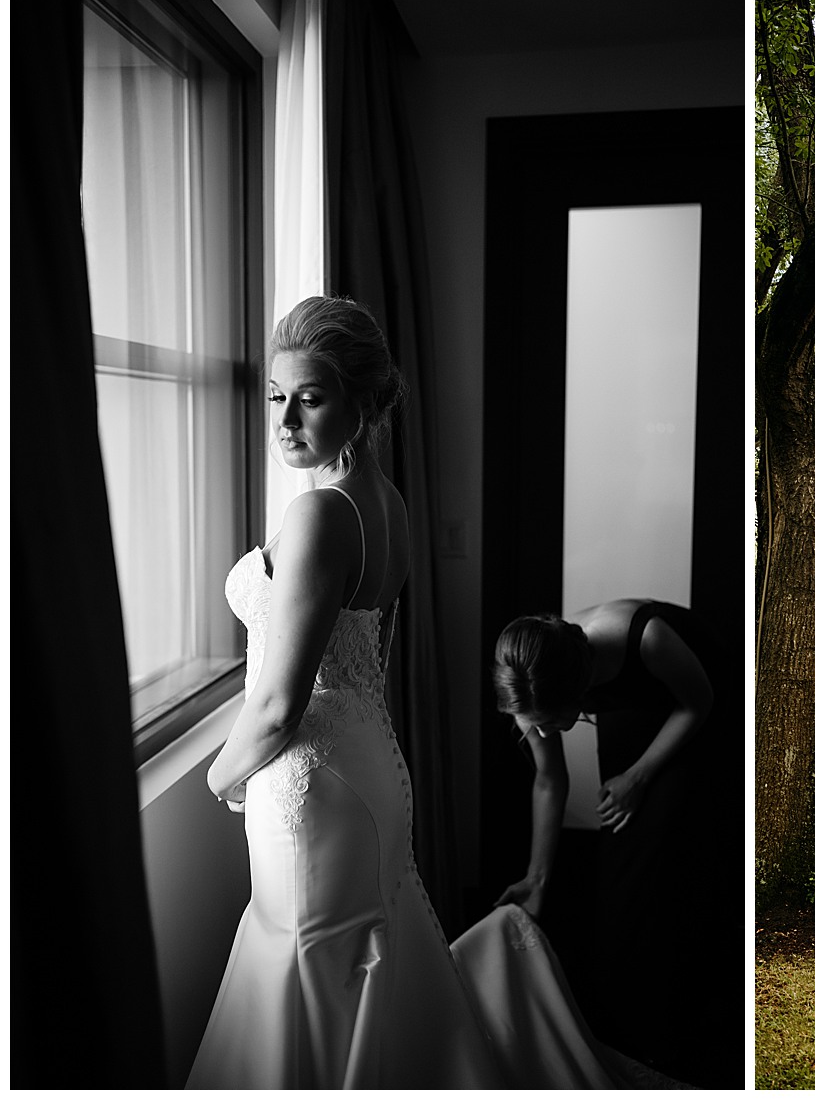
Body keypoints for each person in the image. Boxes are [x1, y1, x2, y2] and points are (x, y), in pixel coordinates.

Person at [189, 296, 659, 1088]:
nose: (286, 420)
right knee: (360, 955)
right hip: (371, 767)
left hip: (310, 784)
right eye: (277, 396)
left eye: (312, 397)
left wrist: (217, 777)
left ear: (366, 402)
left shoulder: (318, 517)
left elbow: (277, 707)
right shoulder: (388, 506)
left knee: (305, 958)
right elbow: (370, 658)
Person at [492, 600, 732, 1085]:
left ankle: (693, 1031)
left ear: (577, 692)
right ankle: (635, 1030)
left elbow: (698, 702)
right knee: (625, 858)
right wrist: (537, 879)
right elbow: (548, 780)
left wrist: (638, 776)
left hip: (695, 703)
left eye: (549, 720)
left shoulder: (647, 637)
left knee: (676, 850)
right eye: (533, 722)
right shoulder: (530, 687)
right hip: (629, 710)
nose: (538, 731)